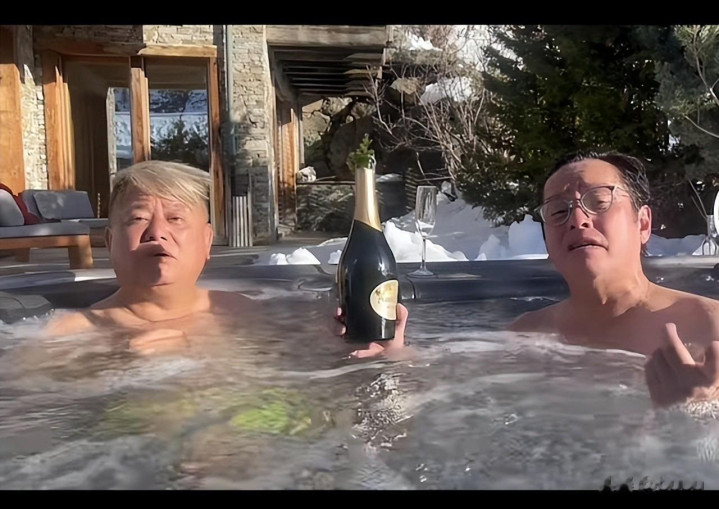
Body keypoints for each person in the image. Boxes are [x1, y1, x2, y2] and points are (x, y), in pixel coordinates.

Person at [46, 160, 407, 358]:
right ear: (109, 242)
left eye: (175, 218)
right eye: (137, 219)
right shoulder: (66, 336)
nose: (157, 232)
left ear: (206, 243)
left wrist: (385, 352)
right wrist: (116, 368)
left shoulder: (250, 315)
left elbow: (324, 378)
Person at [510, 152, 719, 407]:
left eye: (598, 202)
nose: (578, 220)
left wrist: (702, 409)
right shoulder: (524, 336)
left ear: (643, 224)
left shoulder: (710, 326)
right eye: (558, 211)